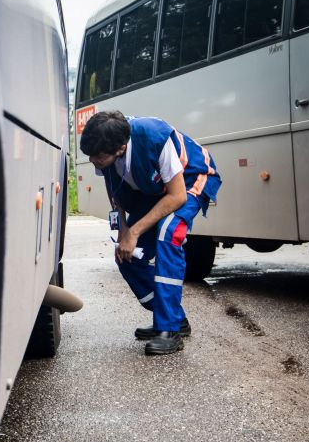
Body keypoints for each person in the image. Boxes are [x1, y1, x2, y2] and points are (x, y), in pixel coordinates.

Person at [79, 111, 221, 355]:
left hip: (189, 179)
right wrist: (124, 231)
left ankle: (169, 330)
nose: (93, 161)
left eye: (98, 156)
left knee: (168, 233)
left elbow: (177, 196)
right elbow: (115, 194)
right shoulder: (104, 154)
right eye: (90, 155)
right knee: (126, 253)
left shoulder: (154, 138)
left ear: (121, 148)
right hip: (157, 191)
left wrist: (135, 231)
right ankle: (174, 318)